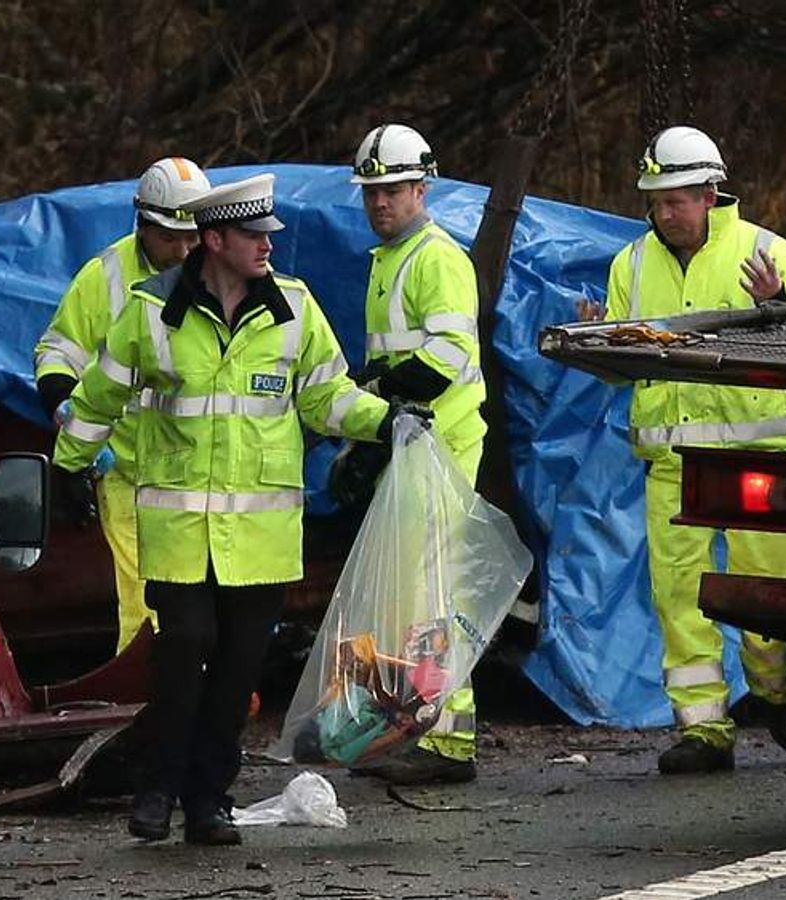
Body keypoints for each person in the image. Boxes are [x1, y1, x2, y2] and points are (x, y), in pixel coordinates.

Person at [52, 173, 423, 845]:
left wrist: (387, 419)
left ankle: (208, 800)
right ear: (214, 240)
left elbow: (326, 398)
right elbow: (97, 398)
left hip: (260, 541)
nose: (268, 247)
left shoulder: (294, 311)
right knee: (182, 652)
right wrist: (65, 470)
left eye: (269, 235)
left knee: (235, 674)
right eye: (254, 236)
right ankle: (159, 787)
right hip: (181, 534)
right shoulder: (151, 313)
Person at [577, 125, 786, 775]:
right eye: (655, 201)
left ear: (711, 194)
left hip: (755, 460)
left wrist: (781, 307)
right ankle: (704, 728)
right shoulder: (629, 264)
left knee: (771, 593)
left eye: (676, 199)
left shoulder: (767, 253)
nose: (664, 213)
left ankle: (776, 691)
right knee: (678, 599)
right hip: (672, 464)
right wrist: (599, 346)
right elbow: (626, 368)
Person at [333, 123, 485, 786]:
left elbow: (449, 358)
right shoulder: (390, 259)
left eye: (391, 190)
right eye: (371, 192)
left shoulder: (434, 258)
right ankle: (413, 723)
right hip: (412, 443)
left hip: (439, 443)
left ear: (421, 188)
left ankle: (448, 738)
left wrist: (383, 394)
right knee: (411, 594)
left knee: (433, 595)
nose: (379, 203)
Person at [33, 157, 210, 654]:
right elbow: (59, 352)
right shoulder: (106, 277)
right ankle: (151, 696)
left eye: (192, 238)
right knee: (143, 603)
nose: (182, 251)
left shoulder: (220, 275)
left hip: (204, 470)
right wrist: (70, 418)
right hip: (129, 471)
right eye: (170, 238)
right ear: (142, 225)